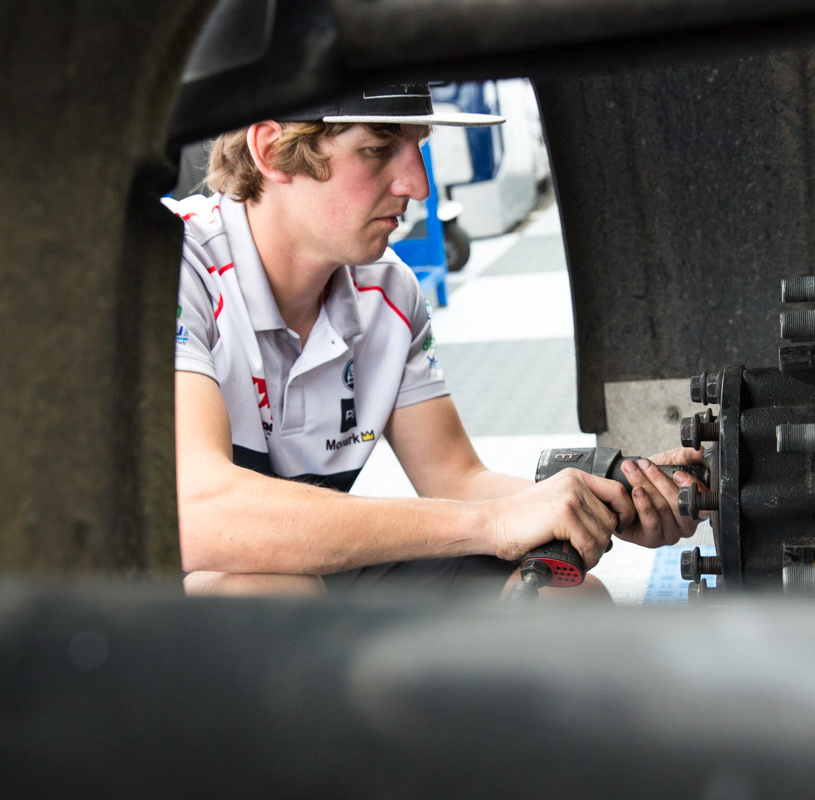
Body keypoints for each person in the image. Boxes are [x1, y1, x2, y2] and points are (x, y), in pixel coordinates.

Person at [166, 83, 703, 597]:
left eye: (418, 147)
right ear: (272, 150)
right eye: (378, 149)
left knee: (565, 602)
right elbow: (198, 512)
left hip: (314, 565)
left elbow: (456, 477)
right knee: (267, 594)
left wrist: (602, 499)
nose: (417, 185)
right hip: (155, 581)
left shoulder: (389, 289)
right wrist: (489, 524)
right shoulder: (171, 262)